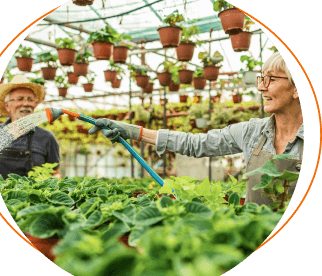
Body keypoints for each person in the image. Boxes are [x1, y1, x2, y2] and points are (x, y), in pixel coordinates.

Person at [89, 51, 303, 206]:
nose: (260, 86)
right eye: (261, 78)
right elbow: (194, 143)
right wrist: (133, 132)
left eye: (271, 79)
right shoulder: (252, 132)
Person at [0, 75, 61, 180]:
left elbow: (55, 174)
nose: (26, 103)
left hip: (32, 195)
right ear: (7, 106)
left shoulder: (47, 138)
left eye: (30, 99)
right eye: (20, 99)